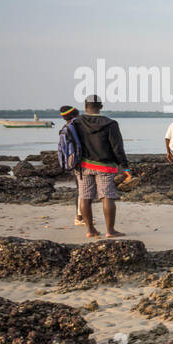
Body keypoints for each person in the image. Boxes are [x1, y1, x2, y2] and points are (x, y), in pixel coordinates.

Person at [76, 95, 132, 238]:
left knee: (85, 197)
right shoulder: (111, 123)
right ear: (100, 107)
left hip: (83, 166)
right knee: (107, 196)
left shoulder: (76, 123)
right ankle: (110, 231)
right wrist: (125, 167)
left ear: (85, 107)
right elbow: (117, 147)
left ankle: (90, 230)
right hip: (105, 166)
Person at [57, 104, 86, 227]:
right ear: (75, 114)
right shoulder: (79, 125)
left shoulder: (66, 127)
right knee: (82, 191)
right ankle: (80, 217)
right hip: (82, 162)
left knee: (80, 190)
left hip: (73, 162)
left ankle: (80, 216)